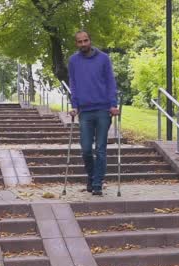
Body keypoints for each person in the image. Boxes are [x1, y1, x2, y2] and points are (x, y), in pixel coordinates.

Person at [68, 30, 119, 196]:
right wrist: (74, 105)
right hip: (85, 111)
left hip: (103, 110)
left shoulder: (103, 58)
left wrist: (113, 104)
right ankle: (92, 176)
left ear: (90, 40)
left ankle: (97, 183)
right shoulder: (73, 61)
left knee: (101, 149)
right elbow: (73, 84)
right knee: (85, 149)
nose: (83, 44)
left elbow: (110, 82)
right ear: (76, 44)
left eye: (86, 40)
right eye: (80, 42)